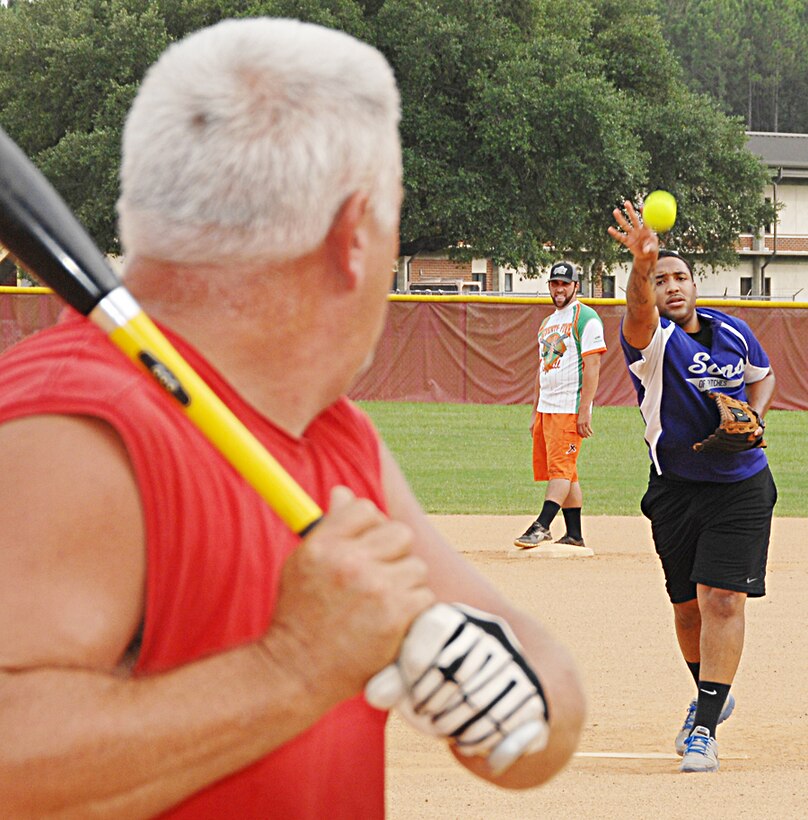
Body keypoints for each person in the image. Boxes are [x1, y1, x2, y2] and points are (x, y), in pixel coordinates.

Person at [0, 18, 585, 818]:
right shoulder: (79, 426)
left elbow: (546, 703)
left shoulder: (334, 435)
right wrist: (295, 668)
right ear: (353, 237)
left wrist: (502, 692)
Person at [608, 201, 777, 773]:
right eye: (662, 280)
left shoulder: (733, 331)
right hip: (676, 489)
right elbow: (634, 313)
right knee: (687, 611)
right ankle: (714, 692)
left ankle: (704, 728)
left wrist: (755, 416)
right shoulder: (649, 343)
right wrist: (640, 264)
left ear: (695, 284)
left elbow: (764, 376)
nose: (671, 286)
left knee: (722, 598)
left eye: (680, 277)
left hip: (741, 486)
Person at [514, 261, 606, 553]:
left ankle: (542, 526)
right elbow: (542, 369)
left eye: (565, 283)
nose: (559, 288)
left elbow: (592, 367)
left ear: (576, 286)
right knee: (566, 472)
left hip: (569, 406)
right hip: (547, 407)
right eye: (555, 283)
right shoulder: (548, 323)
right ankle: (575, 534)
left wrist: (585, 409)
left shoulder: (586, 318)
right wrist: (534, 411)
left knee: (561, 472)